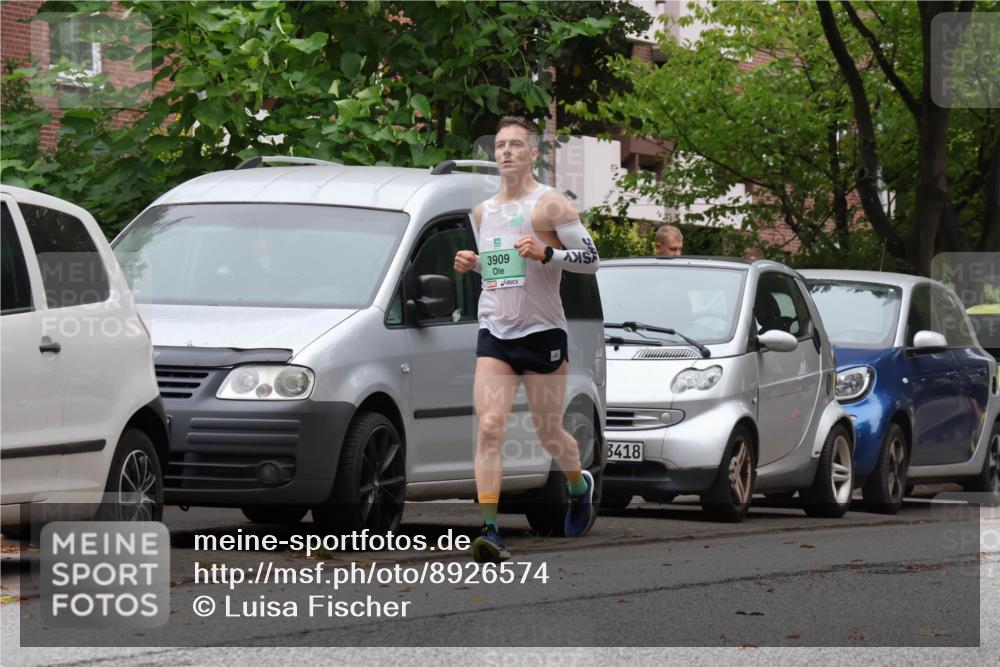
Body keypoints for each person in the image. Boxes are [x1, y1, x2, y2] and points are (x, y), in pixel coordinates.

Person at [454, 116, 600, 563]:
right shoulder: (483, 212)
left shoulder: (551, 205)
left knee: (549, 432)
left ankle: (578, 485)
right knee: (491, 426)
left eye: (517, 145)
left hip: (543, 333)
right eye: (500, 146)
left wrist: (548, 252)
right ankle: (491, 529)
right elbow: (501, 268)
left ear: (532, 154)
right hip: (495, 331)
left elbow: (592, 260)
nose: (507, 152)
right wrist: (472, 263)